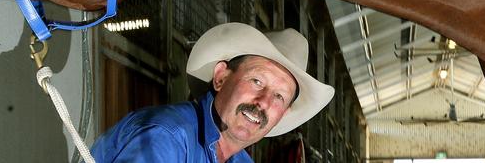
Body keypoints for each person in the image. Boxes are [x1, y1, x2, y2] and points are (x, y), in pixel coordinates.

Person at [90, 22, 335, 162]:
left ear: (283, 114)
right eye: (257, 81)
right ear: (221, 78)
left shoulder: (240, 161)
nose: (262, 102)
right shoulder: (167, 136)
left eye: (279, 96)